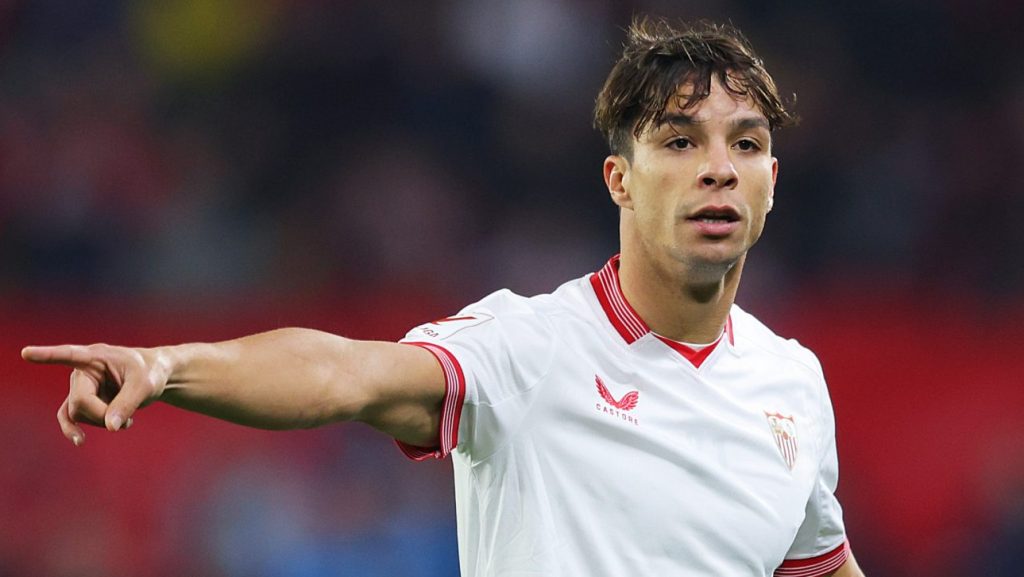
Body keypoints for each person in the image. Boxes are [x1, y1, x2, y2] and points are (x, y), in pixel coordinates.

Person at [23, 17, 865, 577]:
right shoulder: (531, 347)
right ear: (621, 180)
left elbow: (819, 565)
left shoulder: (792, 383)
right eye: (679, 141)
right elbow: (343, 375)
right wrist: (170, 365)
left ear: (770, 182)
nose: (717, 166)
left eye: (744, 143)